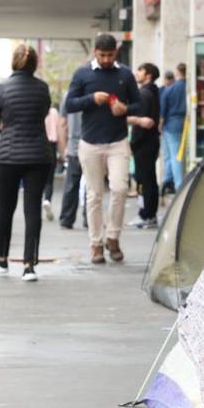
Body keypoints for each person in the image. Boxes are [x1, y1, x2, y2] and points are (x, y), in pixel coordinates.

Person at [65, 33, 142, 264]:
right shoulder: (82, 73)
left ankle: (113, 237)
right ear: (95, 52)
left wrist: (125, 108)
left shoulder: (125, 74)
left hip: (117, 141)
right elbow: (69, 104)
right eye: (103, 55)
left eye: (110, 55)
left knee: (119, 189)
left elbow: (139, 103)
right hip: (90, 143)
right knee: (94, 195)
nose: (107, 59)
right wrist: (91, 99)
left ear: (116, 52)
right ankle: (96, 244)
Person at [0, 44, 54, 281]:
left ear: (13, 62)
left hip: (9, 155)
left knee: (6, 207)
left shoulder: (2, 89)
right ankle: (29, 265)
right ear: (34, 64)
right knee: (32, 209)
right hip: (38, 154)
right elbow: (43, 113)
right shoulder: (42, 88)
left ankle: (1, 257)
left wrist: (4, 128)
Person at [128, 63, 161, 229]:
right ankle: (149, 214)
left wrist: (133, 143)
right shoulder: (154, 92)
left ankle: (146, 215)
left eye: (140, 70)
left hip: (144, 143)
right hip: (152, 141)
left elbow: (141, 121)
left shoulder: (144, 94)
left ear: (148, 75)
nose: (137, 73)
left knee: (144, 180)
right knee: (150, 179)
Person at [57, 90, 86, 230]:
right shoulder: (96, 92)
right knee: (92, 185)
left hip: (74, 146)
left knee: (71, 184)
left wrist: (63, 148)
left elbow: (62, 122)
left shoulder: (68, 94)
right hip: (93, 144)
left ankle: (66, 218)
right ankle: (89, 219)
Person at [159, 62, 187, 193]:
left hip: (170, 124)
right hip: (185, 123)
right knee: (174, 154)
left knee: (171, 155)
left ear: (177, 73)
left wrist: (160, 126)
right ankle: (168, 180)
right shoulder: (189, 86)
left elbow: (162, 111)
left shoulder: (169, 89)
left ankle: (176, 184)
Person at [41, 101, 63, 222]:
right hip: (52, 146)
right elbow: (59, 132)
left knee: (38, 178)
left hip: (38, 144)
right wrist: (62, 152)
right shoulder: (54, 112)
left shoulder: (37, 110)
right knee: (49, 179)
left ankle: (37, 204)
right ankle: (47, 200)